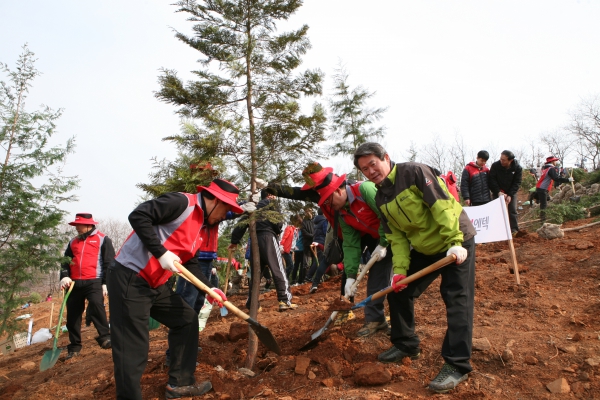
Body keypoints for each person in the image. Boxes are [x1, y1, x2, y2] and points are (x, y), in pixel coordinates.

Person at [354, 142, 476, 394]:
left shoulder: (415, 173)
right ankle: (406, 344)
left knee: (456, 298)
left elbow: (442, 207)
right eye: (364, 169)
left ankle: (457, 365)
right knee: (399, 289)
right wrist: (399, 270)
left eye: (373, 164)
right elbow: (397, 237)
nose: (370, 171)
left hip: (455, 239)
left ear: (386, 158)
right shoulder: (380, 196)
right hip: (425, 248)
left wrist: (454, 243)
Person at [108, 179, 247, 400]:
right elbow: (138, 216)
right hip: (129, 278)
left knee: (186, 319)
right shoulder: (181, 203)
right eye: (226, 209)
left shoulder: (200, 226)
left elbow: (190, 263)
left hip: (154, 284)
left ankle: (180, 384)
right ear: (214, 201)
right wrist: (160, 252)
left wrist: (211, 290)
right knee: (132, 349)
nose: (225, 216)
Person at [301, 163, 391, 337]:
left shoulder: (365, 190)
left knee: (400, 281)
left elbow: (387, 215)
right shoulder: (342, 212)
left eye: (328, 200)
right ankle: (375, 320)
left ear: (339, 191)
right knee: (377, 276)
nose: (328, 205)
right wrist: (350, 276)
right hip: (378, 240)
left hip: (398, 235)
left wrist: (385, 242)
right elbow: (350, 244)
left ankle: (400, 322)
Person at [229, 192, 297, 312]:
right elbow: (278, 222)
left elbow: (241, 224)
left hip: (254, 240)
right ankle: (284, 300)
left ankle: (252, 303)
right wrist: (277, 229)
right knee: (278, 269)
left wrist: (234, 241)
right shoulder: (272, 204)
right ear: (270, 195)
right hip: (268, 237)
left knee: (256, 274)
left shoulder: (252, 206)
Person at [59, 213, 114, 360]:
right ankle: (75, 346)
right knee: (73, 315)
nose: (76, 227)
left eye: (79, 225)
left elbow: (109, 262)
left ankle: (105, 337)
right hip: (74, 283)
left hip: (94, 281)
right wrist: (64, 276)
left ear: (88, 225)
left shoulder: (103, 239)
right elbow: (65, 261)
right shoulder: (73, 242)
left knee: (97, 306)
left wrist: (105, 283)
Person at [488, 150, 523, 235]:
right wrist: (498, 192)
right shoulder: (495, 166)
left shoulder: (517, 168)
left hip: (511, 192)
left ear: (510, 160)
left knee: (512, 210)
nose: (501, 161)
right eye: (501, 159)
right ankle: (498, 231)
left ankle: (514, 230)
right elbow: (492, 180)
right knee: (497, 211)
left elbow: (517, 183)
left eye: (504, 160)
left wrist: (510, 194)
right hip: (498, 192)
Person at [535, 156, 572, 222]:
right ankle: (543, 220)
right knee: (543, 204)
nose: (556, 162)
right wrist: (568, 180)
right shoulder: (550, 169)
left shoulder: (545, 168)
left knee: (547, 201)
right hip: (542, 188)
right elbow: (556, 178)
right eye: (555, 161)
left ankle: (546, 216)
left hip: (541, 188)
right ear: (552, 161)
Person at [305, 209, 327, 284]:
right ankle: (310, 276)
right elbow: (325, 232)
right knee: (319, 260)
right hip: (321, 242)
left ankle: (317, 276)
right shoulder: (324, 221)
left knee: (317, 260)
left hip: (315, 241)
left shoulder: (315, 222)